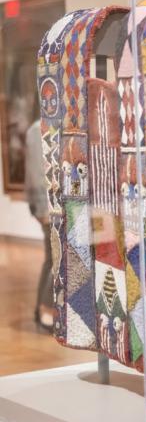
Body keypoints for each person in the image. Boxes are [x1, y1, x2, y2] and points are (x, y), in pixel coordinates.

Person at [24, 119, 53, 331]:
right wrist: (43, 208)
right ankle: (45, 312)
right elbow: (36, 172)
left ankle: (41, 310)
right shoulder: (37, 129)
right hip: (48, 208)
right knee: (54, 257)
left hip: (54, 206)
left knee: (52, 257)